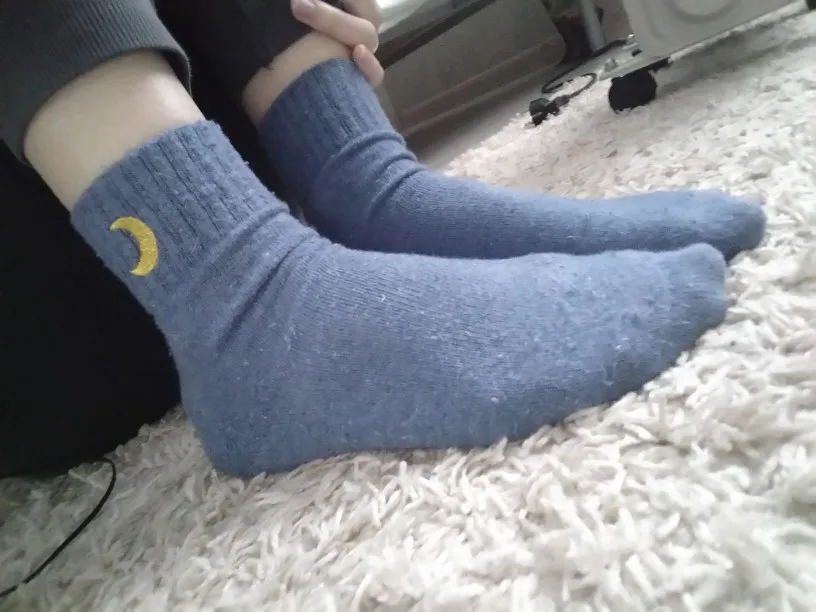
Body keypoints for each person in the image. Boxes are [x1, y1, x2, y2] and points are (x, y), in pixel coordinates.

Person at [0, 0, 765, 479]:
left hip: (210, 168)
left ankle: (370, 194)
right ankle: (245, 298)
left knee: (364, 190)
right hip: (62, 332)